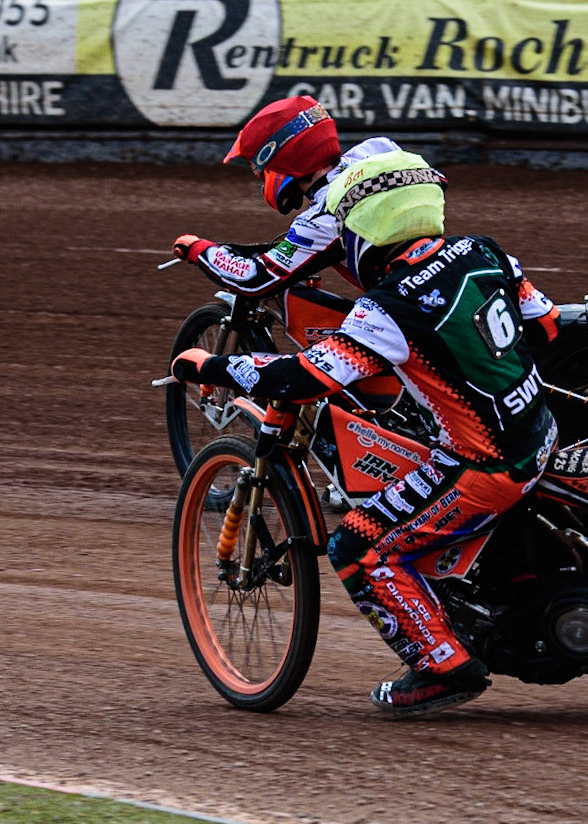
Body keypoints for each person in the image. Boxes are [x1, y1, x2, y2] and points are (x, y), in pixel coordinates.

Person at [170, 149, 562, 717]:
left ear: (366, 226)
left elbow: (300, 378)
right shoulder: (484, 250)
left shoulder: (388, 306)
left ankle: (442, 666)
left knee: (356, 546)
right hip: (542, 429)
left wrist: (208, 367)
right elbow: (546, 327)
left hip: (487, 468)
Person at [169, 94, 403, 297]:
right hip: (436, 272)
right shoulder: (380, 150)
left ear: (280, 156)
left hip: (406, 311)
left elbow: (255, 280)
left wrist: (200, 250)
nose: (262, 177)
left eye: (259, 167)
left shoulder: (322, 216)